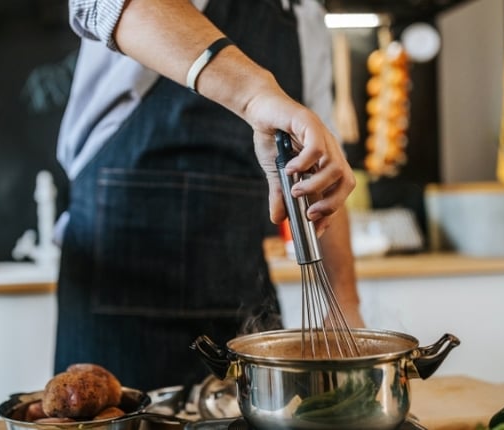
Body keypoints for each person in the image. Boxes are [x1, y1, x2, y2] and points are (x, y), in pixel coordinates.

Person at [53, 0, 363, 391]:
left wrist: (345, 306)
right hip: (119, 289)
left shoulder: (305, 17)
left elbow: (319, 166)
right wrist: (254, 95)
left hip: (241, 295)